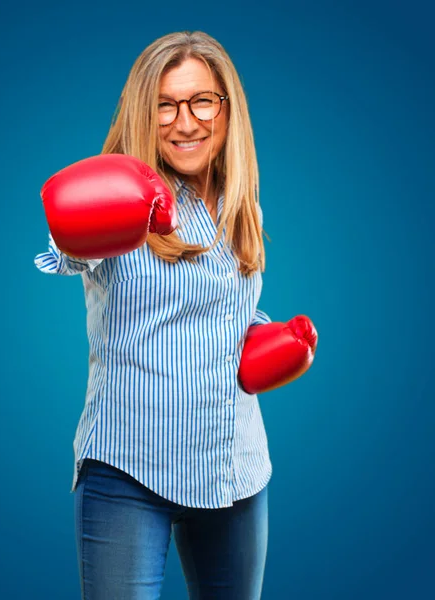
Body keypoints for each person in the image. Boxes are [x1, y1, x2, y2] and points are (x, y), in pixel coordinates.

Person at [34, 30, 317, 600]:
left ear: (225, 109)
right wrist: (100, 215)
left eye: (200, 101)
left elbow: (228, 310)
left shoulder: (242, 202)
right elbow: (67, 250)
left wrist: (270, 339)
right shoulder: (122, 190)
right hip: (129, 467)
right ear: (146, 111)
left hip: (235, 466)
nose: (185, 122)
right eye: (166, 104)